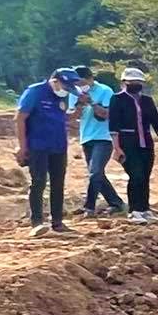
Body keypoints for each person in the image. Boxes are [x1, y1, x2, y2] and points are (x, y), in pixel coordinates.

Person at [16, 67, 80, 234]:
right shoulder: (35, 92)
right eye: (65, 86)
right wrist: (22, 146)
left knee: (58, 183)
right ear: (55, 81)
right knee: (38, 182)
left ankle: (57, 222)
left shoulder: (63, 95)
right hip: (38, 145)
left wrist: (79, 109)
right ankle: (37, 222)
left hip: (58, 145)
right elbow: (20, 118)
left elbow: (62, 117)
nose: (66, 91)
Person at [108, 67, 158, 223]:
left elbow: (156, 122)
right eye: (132, 82)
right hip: (128, 143)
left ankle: (145, 208)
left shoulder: (147, 100)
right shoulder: (117, 99)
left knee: (145, 176)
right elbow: (113, 125)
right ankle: (134, 210)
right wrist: (117, 147)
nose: (136, 84)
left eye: (138, 82)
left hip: (146, 143)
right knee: (136, 175)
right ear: (124, 82)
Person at [70, 63, 125, 218]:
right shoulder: (74, 93)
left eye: (81, 82)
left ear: (90, 79)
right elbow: (72, 117)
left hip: (104, 137)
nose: (80, 86)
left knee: (95, 173)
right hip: (86, 137)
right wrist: (80, 104)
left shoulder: (105, 91)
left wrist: (92, 102)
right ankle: (117, 203)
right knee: (97, 173)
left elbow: (107, 114)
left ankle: (89, 206)